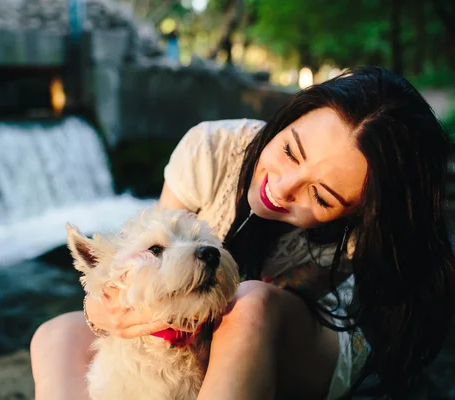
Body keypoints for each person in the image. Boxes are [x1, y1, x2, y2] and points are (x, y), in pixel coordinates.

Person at [30, 66, 455, 399]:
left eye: (322, 197)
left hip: (312, 339)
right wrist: (99, 308)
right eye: (290, 151)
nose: (281, 188)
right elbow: (150, 257)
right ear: (293, 114)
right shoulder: (210, 148)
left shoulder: (367, 239)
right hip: (208, 318)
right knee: (57, 334)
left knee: (247, 304)